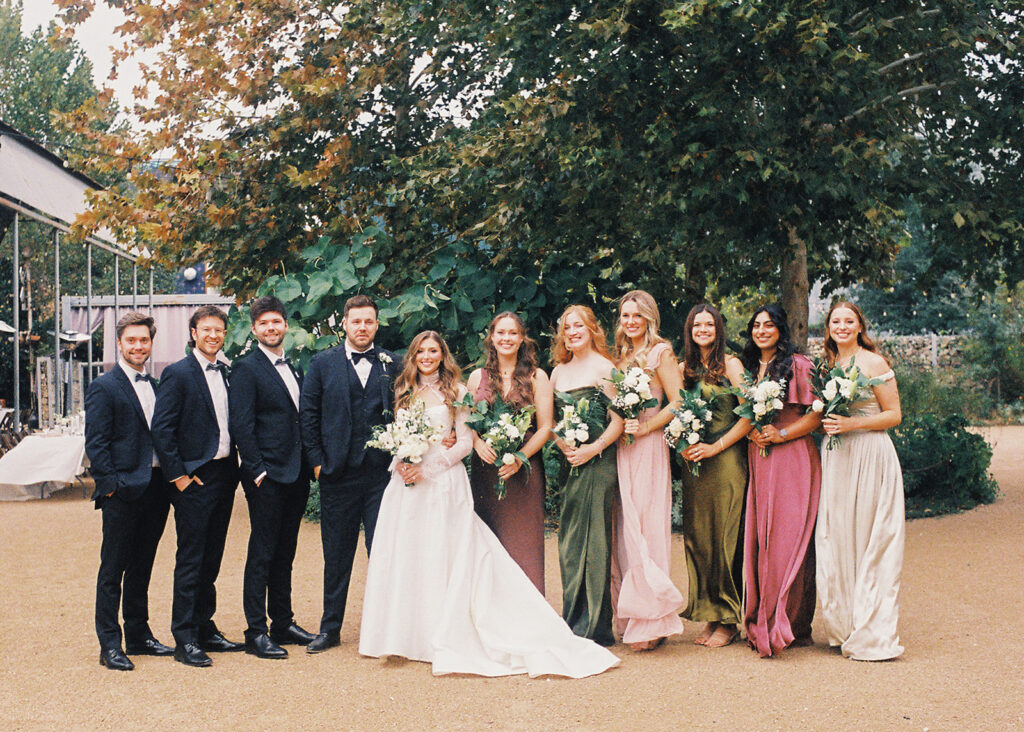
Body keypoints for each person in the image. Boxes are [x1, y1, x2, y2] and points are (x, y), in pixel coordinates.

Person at [359, 332, 619, 677]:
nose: (426, 356)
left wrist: (428, 468)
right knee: (409, 555)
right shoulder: (402, 390)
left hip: (441, 482)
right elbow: (399, 436)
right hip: (406, 485)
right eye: (420, 351)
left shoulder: (457, 391)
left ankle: (439, 633)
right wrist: (402, 463)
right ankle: (405, 635)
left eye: (433, 350)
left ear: (442, 355)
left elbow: (465, 440)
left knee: (443, 554)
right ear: (413, 355)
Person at [299, 294, 397, 653]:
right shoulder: (322, 364)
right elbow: (308, 416)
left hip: (382, 477)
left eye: (369, 321)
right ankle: (330, 629)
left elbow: (407, 411)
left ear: (376, 323)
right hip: (337, 475)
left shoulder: (393, 363)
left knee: (383, 551)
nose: (362, 327)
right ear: (344, 323)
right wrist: (318, 462)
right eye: (356, 321)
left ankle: (386, 628)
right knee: (336, 554)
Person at [152, 305, 243, 667]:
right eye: (206, 329)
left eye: (219, 330)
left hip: (224, 475)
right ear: (193, 333)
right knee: (191, 559)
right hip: (194, 479)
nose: (213, 336)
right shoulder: (178, 373)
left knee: (212, 558)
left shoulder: (228, 371)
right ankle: (185, 637)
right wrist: (180, 477)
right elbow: (162, 429)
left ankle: (206, 627)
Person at [815, 301, 905, 660]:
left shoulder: (874, 362)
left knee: (870, 537)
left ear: (859, 326)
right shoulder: (827, 365)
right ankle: (845, 625)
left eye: (848, 321)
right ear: (828, 327)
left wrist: (850, 424)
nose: (841, 326)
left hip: (869, 454)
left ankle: (872, 627)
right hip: (838, 456)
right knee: (838, 536)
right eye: (835, 321)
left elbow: (894, 415)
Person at [228, 296, 317, 659]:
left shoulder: (292, 367)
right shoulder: (246, 369)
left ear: (285, 326)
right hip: (267, 476)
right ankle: (255, 631)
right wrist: (257, 469)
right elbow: (241, 424)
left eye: (276, 322)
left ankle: (283, 621)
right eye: (263, 323)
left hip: (294, 475)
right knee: (262, 552)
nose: (271, 328)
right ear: (254, 329)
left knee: (286, 552)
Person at [85, 311, 173, 671]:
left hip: (156, 489)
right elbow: (96, 443)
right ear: (119, 344)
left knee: (143, 566)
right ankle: (110, 644)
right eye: (131, 340)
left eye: (144, 340)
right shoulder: (104, 386)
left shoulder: (156, 385)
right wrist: (111, 489)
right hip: (122, 491)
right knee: (113, 568)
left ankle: (138, 634)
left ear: (151, 343)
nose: (138, 346)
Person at [741, 304, 822, 657]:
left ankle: (788, 622)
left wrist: (782, 433)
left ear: (780, 330)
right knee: (762, 537)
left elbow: (817, 414)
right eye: (756, 325)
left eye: (769, 325)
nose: (761, 330)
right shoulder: (748, 369)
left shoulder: (798, 365)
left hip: (791, 456)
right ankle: (763, 614)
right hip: (759, 459)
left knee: (787, 537)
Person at [611, 291, 684, 651]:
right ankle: (632, 614)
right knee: (626, 528)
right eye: (625, 315)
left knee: (647, 524)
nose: (630, 321)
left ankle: (653, 621)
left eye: (637, 315)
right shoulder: (620, 358)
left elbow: (678, 402)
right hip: (623, 447)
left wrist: (646, 427)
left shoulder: (661, 352)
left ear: (649, 318)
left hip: (649, 444)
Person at [549, 305, 624, 647]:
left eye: (579, 325)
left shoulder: (605, 367)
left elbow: (619, 420)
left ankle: (594, 625)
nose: (573, 331)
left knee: (594, 541)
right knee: (569, 541)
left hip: (598, 462)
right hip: (570, 461)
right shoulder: (558, 371)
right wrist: (561, 442)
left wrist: (592, 449)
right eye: (567, 327)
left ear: (592, 328)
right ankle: (573, 618)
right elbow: (548, 421)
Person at [677, 304, 750, 648]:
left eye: (709, 324)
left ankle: (730, 617)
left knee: (725, 536)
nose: (703, 329)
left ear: (718, 329)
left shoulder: (731, 365)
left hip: (725, 460)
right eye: (697, 324)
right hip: (695, 465)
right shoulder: (684, 369)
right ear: (689, 330)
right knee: (699, 537)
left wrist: (715, 447)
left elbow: (750, 415)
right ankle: (708, 613)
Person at [467, 312, 553, 594]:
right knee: (488, 545)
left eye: (512, 333)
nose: (506, 338)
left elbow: (545, 428)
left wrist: (521, 458)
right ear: (491, 337)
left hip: (524, 473)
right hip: (486, 472)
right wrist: (477, 443)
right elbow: (466, 423)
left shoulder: (537, 377)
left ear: (521, 338)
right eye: (500, 333)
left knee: (523, 545)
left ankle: (529, 619)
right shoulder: (475, 377)